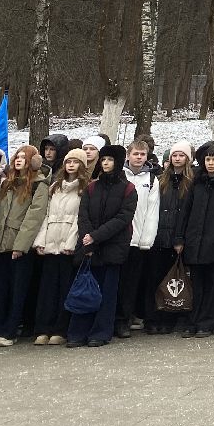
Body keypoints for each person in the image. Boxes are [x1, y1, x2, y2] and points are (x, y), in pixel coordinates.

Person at [65, 144, 137, 348]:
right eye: (103, 159)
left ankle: (100, 332)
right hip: (89, 247)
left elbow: (123, 218)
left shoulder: (128, 189)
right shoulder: (91, 186)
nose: (105, 163)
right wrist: (87, 237)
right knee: (84, 289)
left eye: (110, 160)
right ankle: (78, 332)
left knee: (106, 292)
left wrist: (96, 236)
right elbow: (83, 214)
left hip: (112, 247)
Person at [0, 145, 49, 347]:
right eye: (17, 157)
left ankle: (9, 331)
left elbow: (34, 217)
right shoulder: (7, 184)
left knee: (16, 289)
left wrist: (20, 246)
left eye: (24, 157)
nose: (19, 160)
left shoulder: (39, 185)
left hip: (19, 246)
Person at [175, 142, 214, 338]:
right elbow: (185, 212)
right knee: (195, 284)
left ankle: (208, 322)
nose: (211, 163)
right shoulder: (197, 182)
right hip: (195, 242)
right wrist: (180, 238)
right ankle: (192, 320)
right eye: (208, 159)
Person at [31, 152, 87, 345]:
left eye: (76, 162)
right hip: (51, 241)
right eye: (68, 162)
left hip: (67, 245)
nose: (71, 165)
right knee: (47, 289)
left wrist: (71, 244)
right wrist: (41, 241)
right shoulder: (54, 187)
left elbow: (80, 220)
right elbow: (45, 216)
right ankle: (42, 328)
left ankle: (60, 329)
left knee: (65, 288)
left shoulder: (84, 189)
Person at [145, 142, 193, 336]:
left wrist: (180, 238)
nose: (178, 158)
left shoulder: (191, 182)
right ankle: (154, 317)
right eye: (175, 155)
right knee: (155, 277)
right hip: (158, 236)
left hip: (178, 236)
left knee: (177, 279)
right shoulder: (160, 180)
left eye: (182, 155)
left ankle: (174, 316)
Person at [117, 139, 160, 338]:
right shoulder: (119, 175)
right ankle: (116, 319)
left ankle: (127, 318)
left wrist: (146, 239)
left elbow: (152, 211)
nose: (139, 158)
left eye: (143, 155)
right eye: (136, 154)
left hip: (138, 238)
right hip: (118, 238)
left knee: (133, 283)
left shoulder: (152, 179)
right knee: (118, 282)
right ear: (128, 155)